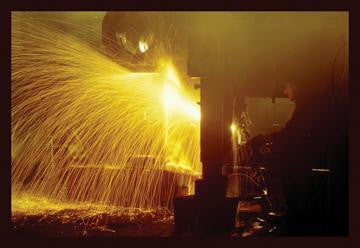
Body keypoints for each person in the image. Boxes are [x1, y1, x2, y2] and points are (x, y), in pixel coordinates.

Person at [247, 81, 331, 235]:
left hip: (299, 165)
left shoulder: (306, 108)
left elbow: (292, 133)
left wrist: (268, 140)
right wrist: (270, 138)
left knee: (297, 194)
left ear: (296, 86)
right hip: (302, 163)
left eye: (286, 87)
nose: (285, 92)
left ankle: (295, 226)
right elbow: (291, 131)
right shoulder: (306, 106)